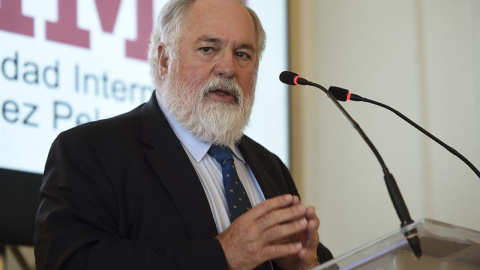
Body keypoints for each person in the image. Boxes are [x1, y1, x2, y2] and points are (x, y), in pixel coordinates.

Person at [34, 0, 333, 269]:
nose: (228, 68)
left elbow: (316, 259)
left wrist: (308, 265)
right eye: (208, 49)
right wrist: (221, 255)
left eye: (243, 54)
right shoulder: (91, 150)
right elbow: (70, 262)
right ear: (164, 60)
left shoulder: (271, 166)